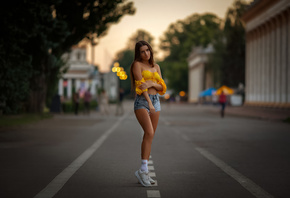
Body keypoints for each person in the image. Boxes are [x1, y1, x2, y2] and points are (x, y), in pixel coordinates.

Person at [130, 40, 167, 187]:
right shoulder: (136, 65)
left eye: (148, 50)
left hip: (156, 101)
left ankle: (143, 171)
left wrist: (152, 83)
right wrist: (149, 103)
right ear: (138, 54)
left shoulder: (156, 66)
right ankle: (143, 170)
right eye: (142, 51)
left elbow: (162, 87)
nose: (146, 53)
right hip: (142, 102)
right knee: (149, 132)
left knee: (150, 136)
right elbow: (140, 85)